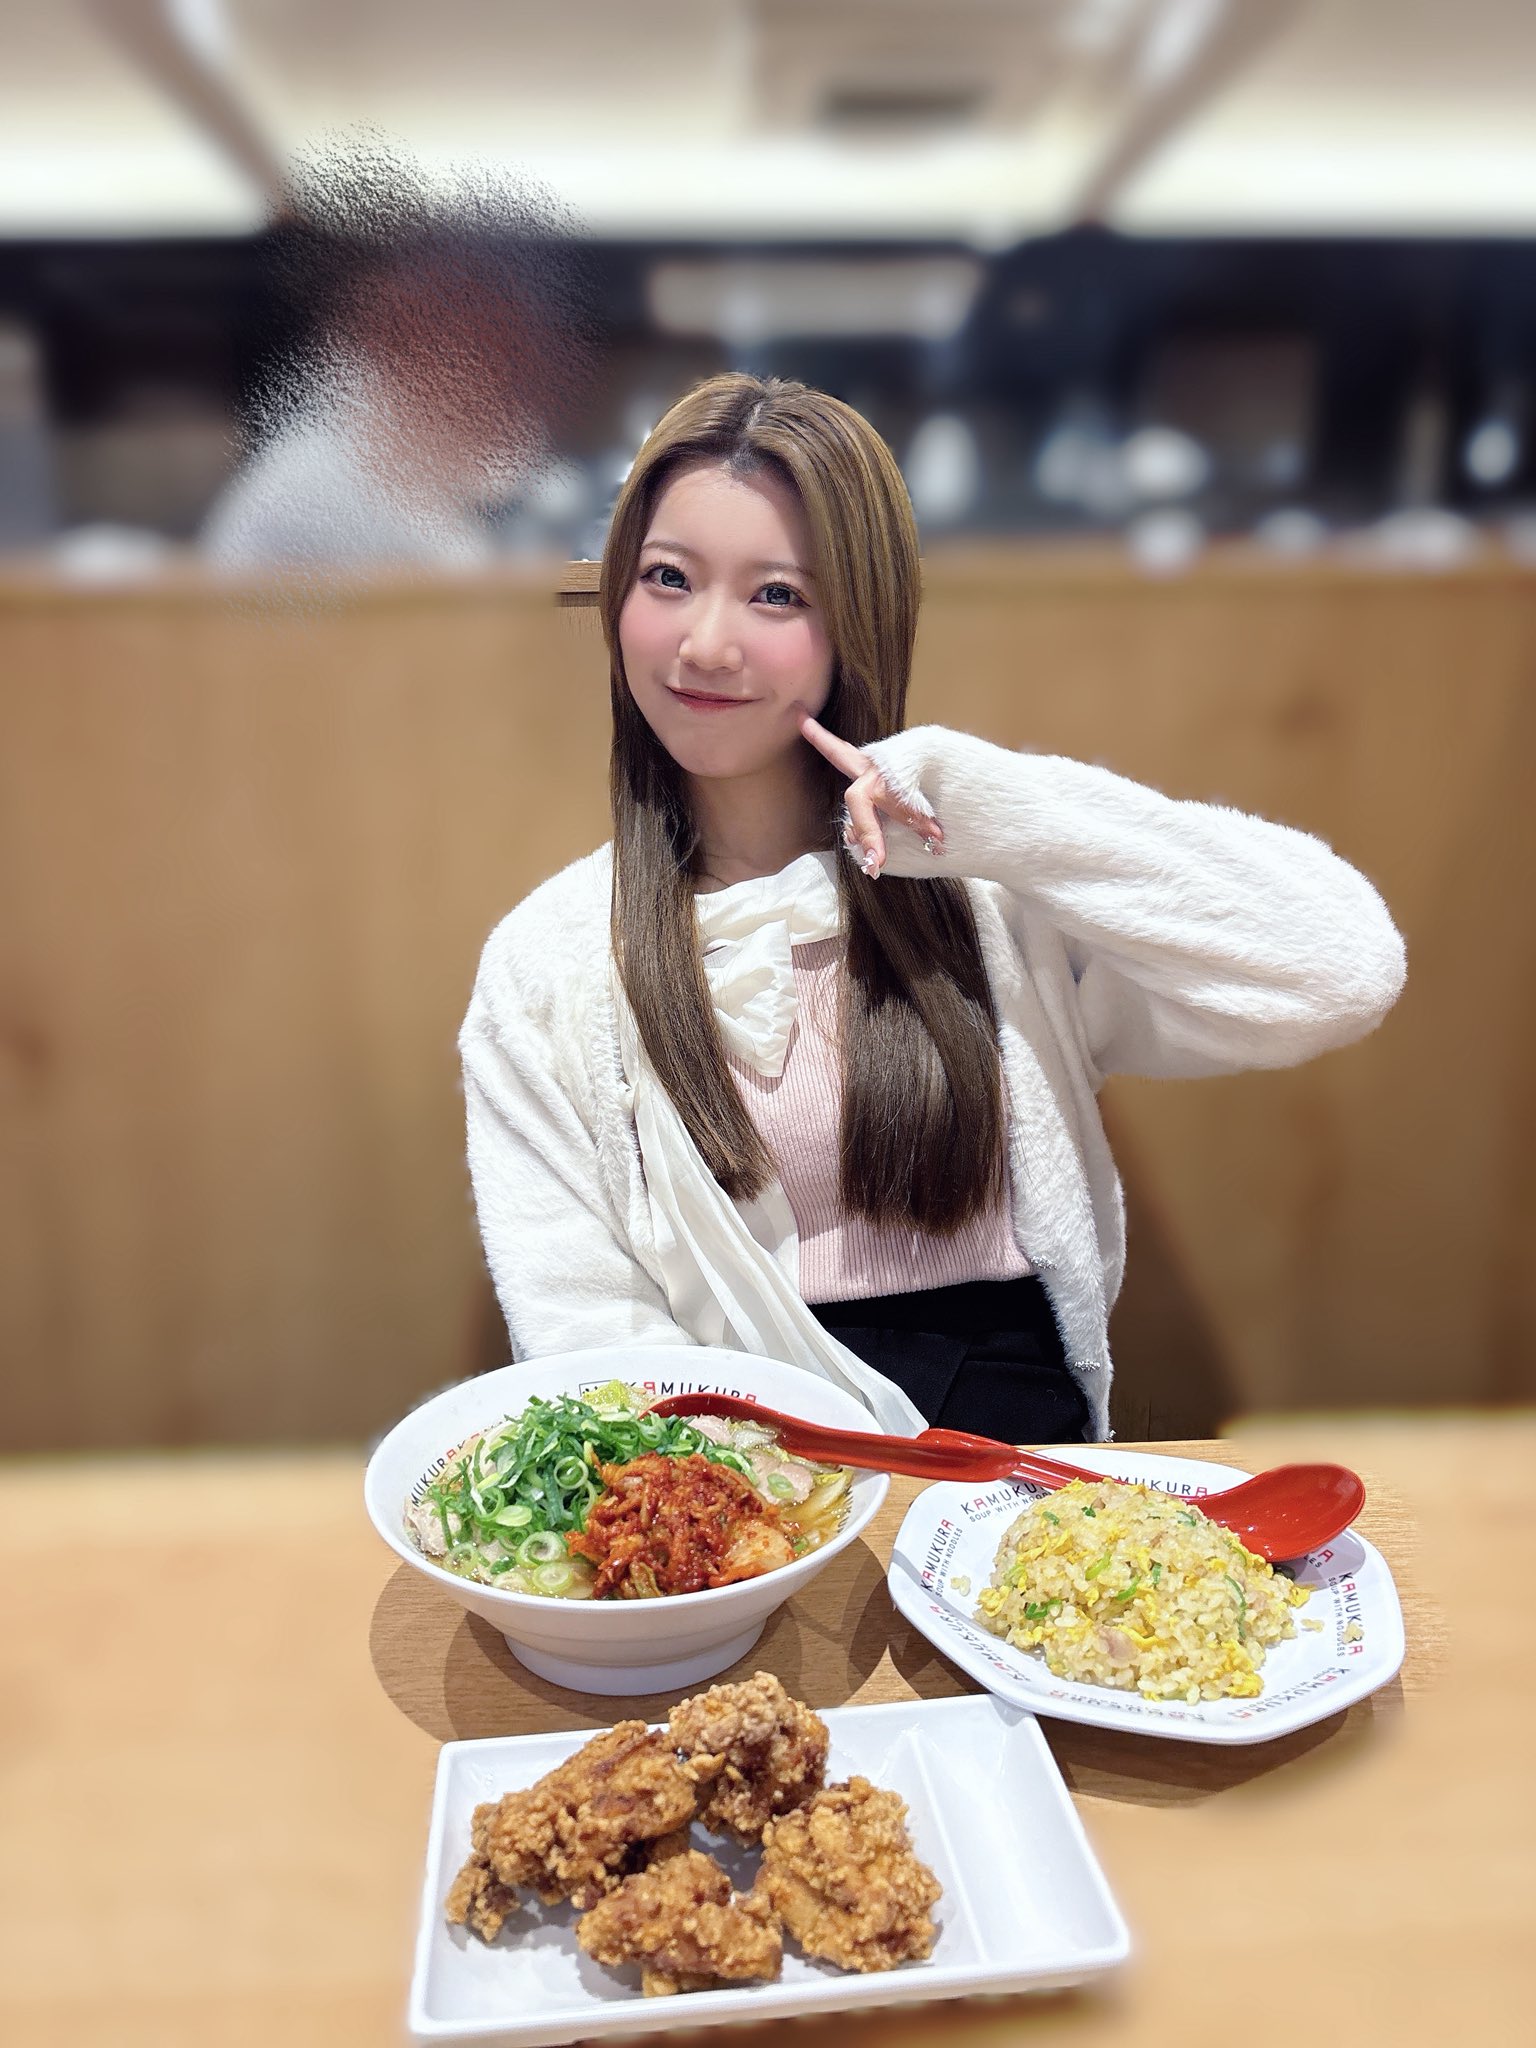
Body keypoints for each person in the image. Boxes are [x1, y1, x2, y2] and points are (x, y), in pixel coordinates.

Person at [459, 373, 1405, 1442]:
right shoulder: (548, 961)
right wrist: (758, 1504)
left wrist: (974, 803)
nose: (706, 643)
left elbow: (1339, 967)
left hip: (1018, 1472)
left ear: (856, 623)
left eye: (777, 595)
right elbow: (586, 1334)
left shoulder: (992, 896)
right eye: (668, 578)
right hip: (746, 1471)